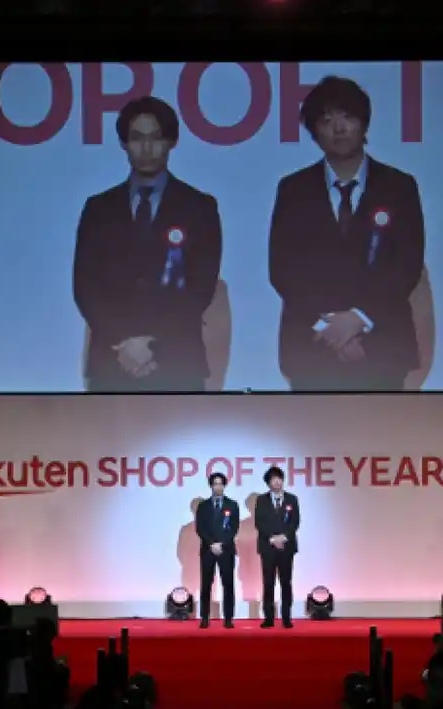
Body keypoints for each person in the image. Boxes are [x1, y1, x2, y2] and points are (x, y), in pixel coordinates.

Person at [267, 75, 426, 391]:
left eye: (347, 117)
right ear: (314, 133)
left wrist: (359, 319)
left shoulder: (399, 187)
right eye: (326, 120)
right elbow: (283, 270)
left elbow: (406, 265)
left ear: (364, 124)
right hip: (312, 347)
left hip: (383, 346)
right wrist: (332, 329)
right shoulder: (293, 190)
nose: (338, 128)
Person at [72, 95, 224, 392]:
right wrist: (126, 345)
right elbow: (85, 287)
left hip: (178, 361)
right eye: (137, 138)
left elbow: (201, 288)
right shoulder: (98, 208)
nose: (146, 148)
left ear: (172, 142)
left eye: (156, 138)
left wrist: (152, 345)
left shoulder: (200, 207)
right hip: (113, 361)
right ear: (123, 143)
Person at [253, 466, 300, 628]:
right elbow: (259, 523)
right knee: (268, 583)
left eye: (279, 478)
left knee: (286, 582)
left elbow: (295, 522)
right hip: (268, 547)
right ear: (268, 483)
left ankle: (286, 617)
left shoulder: (292, 499)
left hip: (287, 547)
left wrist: (284, 537)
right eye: (274, 479)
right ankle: (269, 617)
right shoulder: (261, 500)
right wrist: (273, 538)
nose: (277, 482)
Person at [194, 472, 239, 628]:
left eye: (220, 484)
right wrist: (212, 544)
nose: (218, 487)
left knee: (228, 585)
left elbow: (234, 528)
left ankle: (228, 618)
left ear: (224, 486)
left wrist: (222, 544)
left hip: (226, 550)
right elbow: (200, 528)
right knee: (206, 584)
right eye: (215, 484)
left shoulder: (232, 505)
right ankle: (205, 617)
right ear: (211, 486)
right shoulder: (203, 506)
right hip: (208, 550)